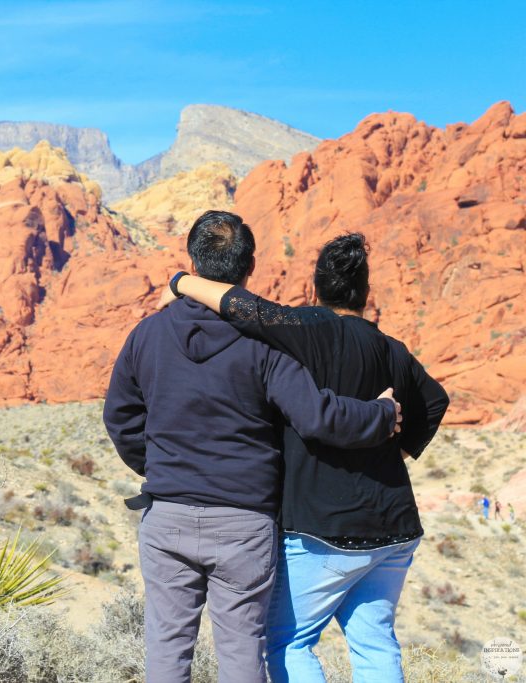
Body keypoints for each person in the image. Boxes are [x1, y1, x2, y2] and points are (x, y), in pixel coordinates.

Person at [103, 211, 401, 683]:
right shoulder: (263, 344)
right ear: (249, 267)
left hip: (167, 515)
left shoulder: (148, 334)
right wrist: (382, 414)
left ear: (193, 261)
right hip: (243, 523)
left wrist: (163, 466)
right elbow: (319, 416)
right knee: (243, 652)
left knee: (166, 649)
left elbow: (120, 417)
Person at [161, 228, 449, 682]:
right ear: (365, 291)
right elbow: (434, 402)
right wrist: (397, 450)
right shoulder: (392, 349)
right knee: (375, 643)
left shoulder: (305, 330)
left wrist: (180, 281)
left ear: (315, 288)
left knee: (287, 644)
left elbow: (245, 308)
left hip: (322, 527)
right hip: (394, 527)